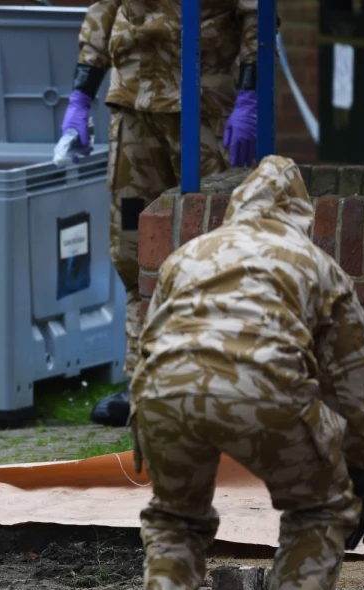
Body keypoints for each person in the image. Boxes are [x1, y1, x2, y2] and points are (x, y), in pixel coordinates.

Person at [129, 156, 364, 590]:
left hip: (163, 394)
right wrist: (360, 482)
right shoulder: (317, 266)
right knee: (320, 508)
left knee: (175, 516)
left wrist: (141, 422)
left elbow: (147, 342)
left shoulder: (187, 255)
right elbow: (354, 389)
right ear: (299, 213)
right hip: (267, 389)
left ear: (239, 205)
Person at [62, 0, 261, 427]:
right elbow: (103, 10)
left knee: (215, 249)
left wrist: (251, 93)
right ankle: (143, 381)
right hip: (135, 108)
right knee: (134, 247)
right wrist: (81, 96)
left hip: (206, 107)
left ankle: (214, 382)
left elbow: (257, 15)